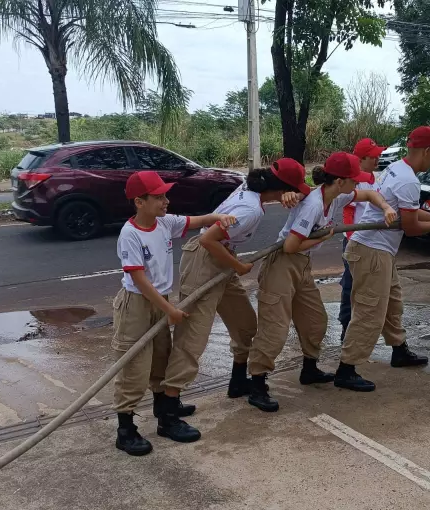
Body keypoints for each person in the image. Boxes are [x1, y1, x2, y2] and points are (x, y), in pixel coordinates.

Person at [246, 152, 398, 412]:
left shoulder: (336, 197)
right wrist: (323, 237)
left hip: (302, 265)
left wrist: (386, 207)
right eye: (353, 180)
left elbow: (370, 194)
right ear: (339, 181)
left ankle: (310, 370)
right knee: (275, 328)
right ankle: (257, 385)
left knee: (315, 321)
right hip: (283, 263)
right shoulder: (314, 204)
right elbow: (292, 245)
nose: (357, 185)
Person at [160, 159, 309, 416]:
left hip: (222, 259)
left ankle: (239, 381)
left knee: (245, 326)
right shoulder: (251, 209)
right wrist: (237, 266)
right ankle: (169, 407)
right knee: (193, 336)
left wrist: (291, 194)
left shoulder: (251, 190)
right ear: (280, 188)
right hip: (205, 261)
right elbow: (208, 239)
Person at [113, 170, 238, 456]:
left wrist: (217, 218)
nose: (165, 201)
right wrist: (169, 309)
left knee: (161, 360)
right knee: (134, 366)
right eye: (158, 197)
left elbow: (196, 221)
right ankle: (126, 430)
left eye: (165, 195)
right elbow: (140, 280)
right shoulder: (130, 234)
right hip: (137, 304)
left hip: (160, 300)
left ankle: (166, 417)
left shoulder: (163, 223)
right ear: (139, 202)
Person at [333, 126, 430, 392]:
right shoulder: (408, 181)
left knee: (392, 303)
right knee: (370, 311)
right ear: (427, 151)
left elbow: (410, 215)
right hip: (372, 252)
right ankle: (346, 369)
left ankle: (399, 350)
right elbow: (412, 227)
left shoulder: (396, 169)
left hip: (377, 251)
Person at [339, 138, 387, 341]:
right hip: (355, 241)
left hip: (371, 242)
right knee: (351, 285)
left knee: (366, 286)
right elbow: (348, 215)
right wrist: (353, 241)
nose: (378, 158)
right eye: (373, 155)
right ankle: (346, 328)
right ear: (361, 158)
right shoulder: (353, 180)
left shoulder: (373, 178)